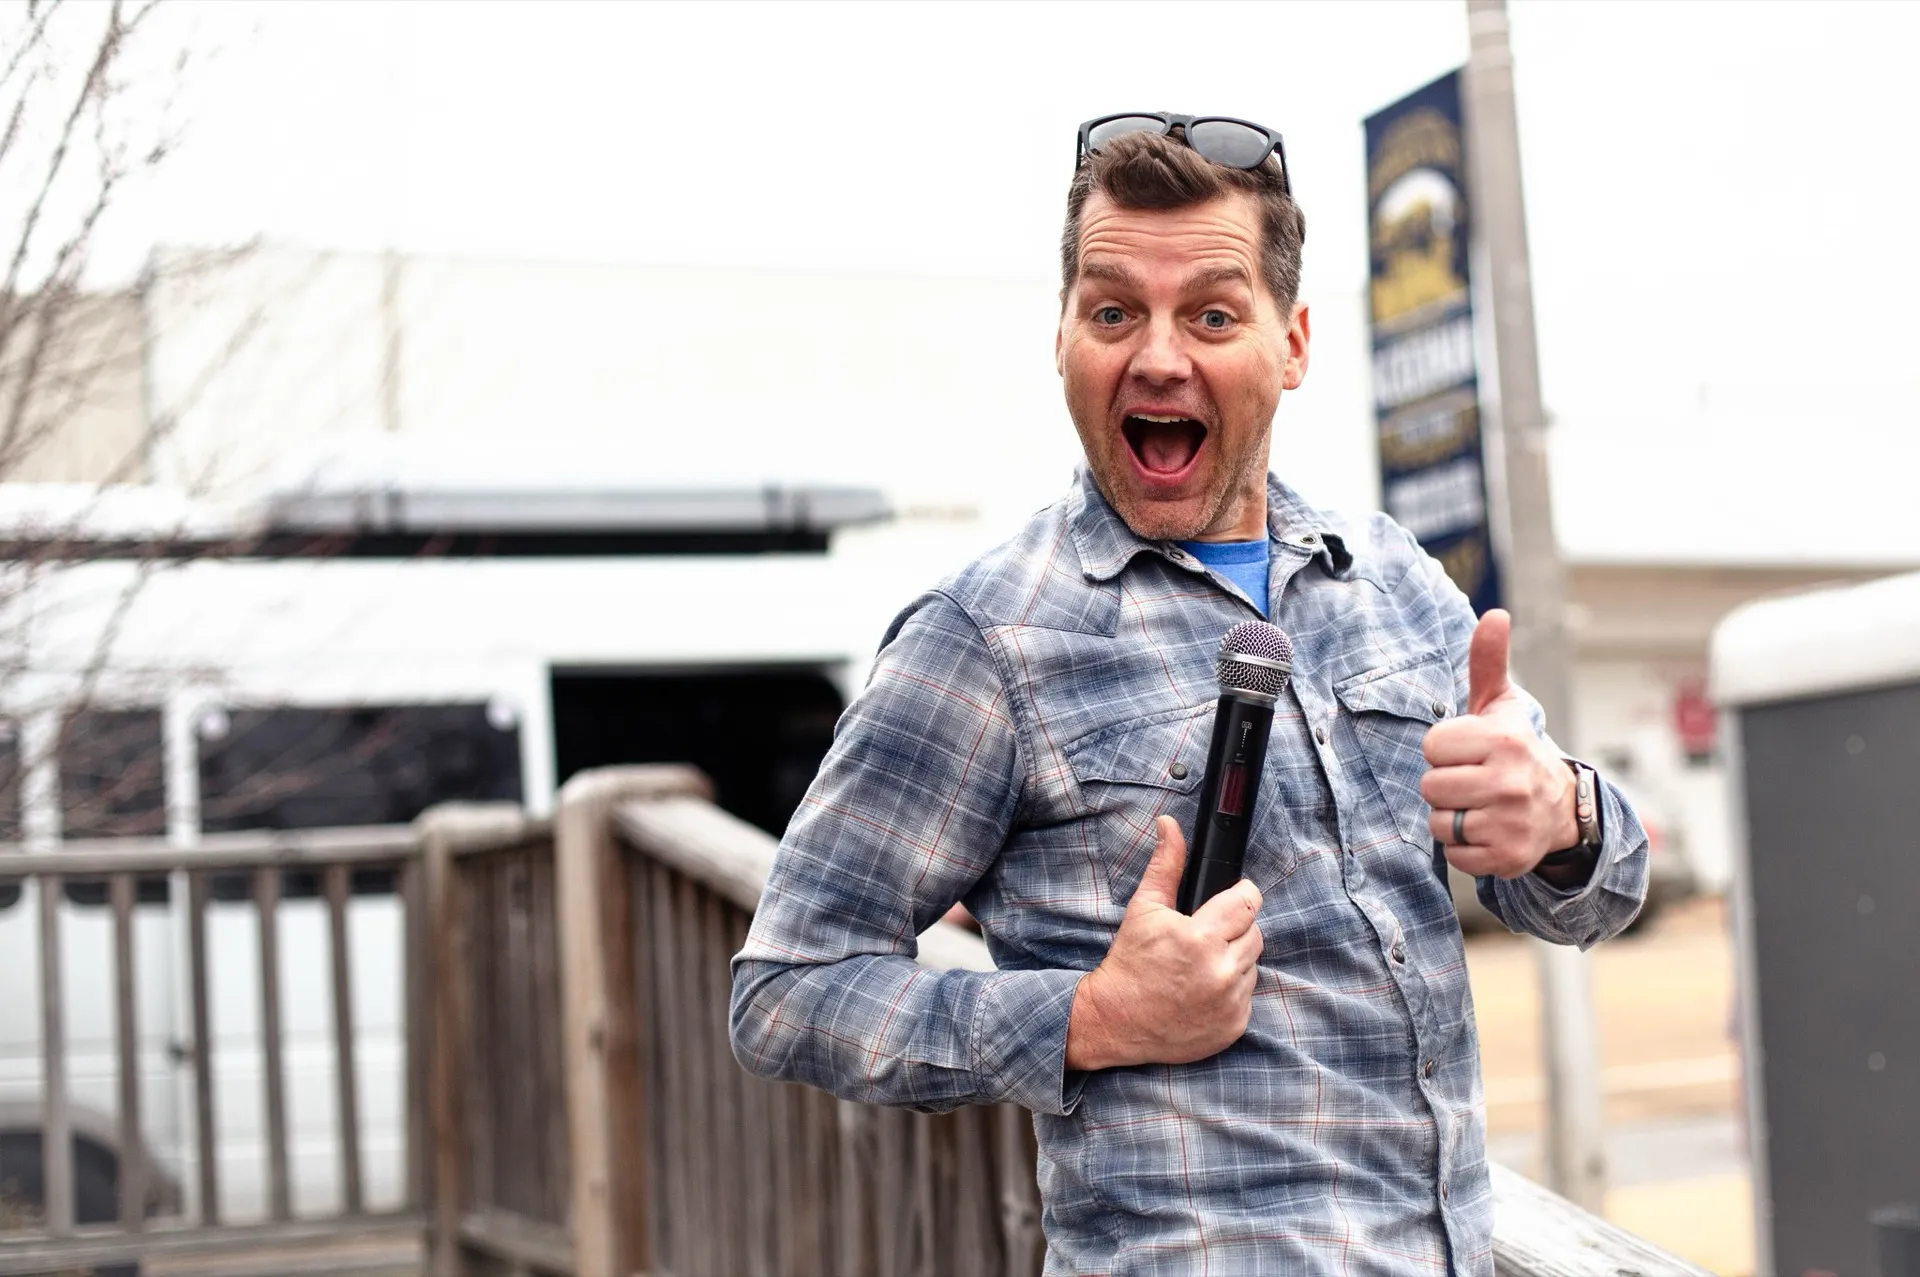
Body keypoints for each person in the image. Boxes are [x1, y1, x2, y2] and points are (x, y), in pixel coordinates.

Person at [729, 113, 1648, 1275]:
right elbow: (786, 991)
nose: (1158, 355)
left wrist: (1559, 819)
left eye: (1211, 313)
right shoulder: (987, 636)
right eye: (1113, 310)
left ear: (1293, 341)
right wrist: (1088, 1016)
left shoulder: (1396, 585)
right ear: (1063, 337)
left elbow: (1594, 899)